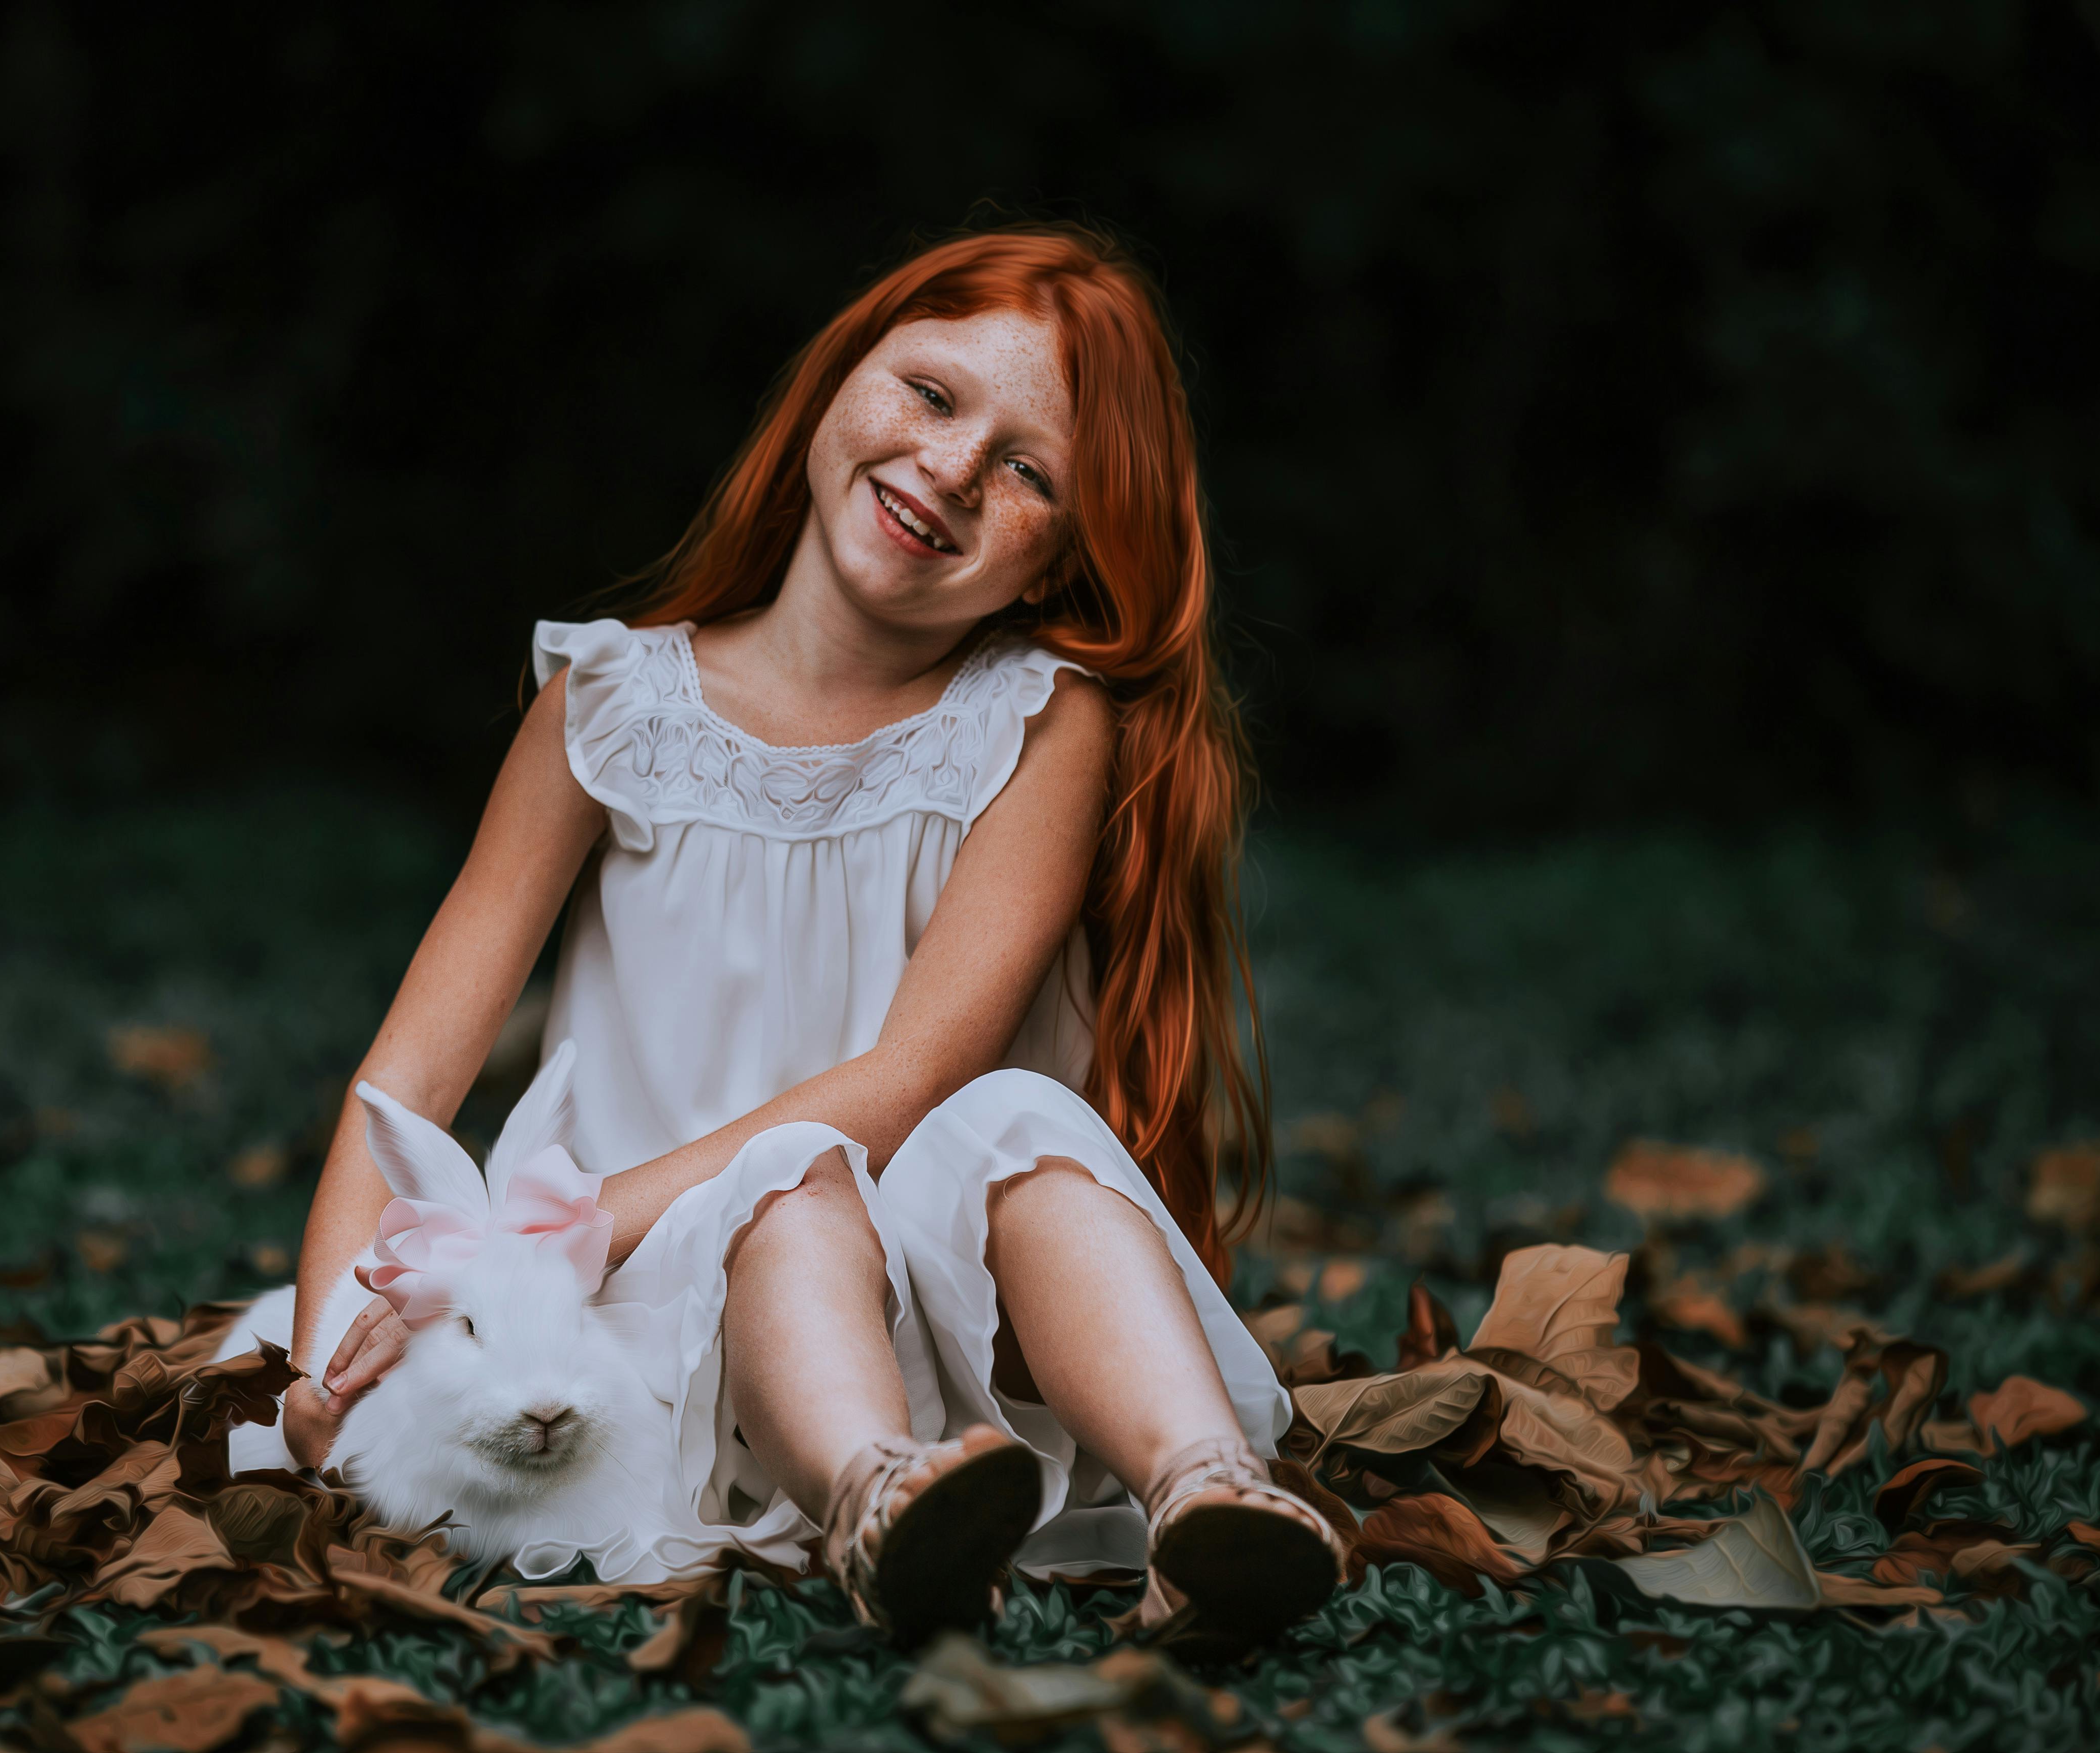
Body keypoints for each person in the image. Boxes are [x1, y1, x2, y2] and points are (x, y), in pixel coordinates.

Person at [275, 224, 1345, 1648]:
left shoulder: (1039, 720)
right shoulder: (608, 708)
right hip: (676, 1340)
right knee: (785, 1187)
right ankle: (873, 1498)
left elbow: (912, 1081)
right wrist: (322, 1358)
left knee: (1018, 1117)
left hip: (956, 1332)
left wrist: (588, 1215)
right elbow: (406, 1076)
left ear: (1056, 562)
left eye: (1028, 472)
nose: (952, 469)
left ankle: (1203, 1489)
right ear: (839, 381)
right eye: (932, 393)